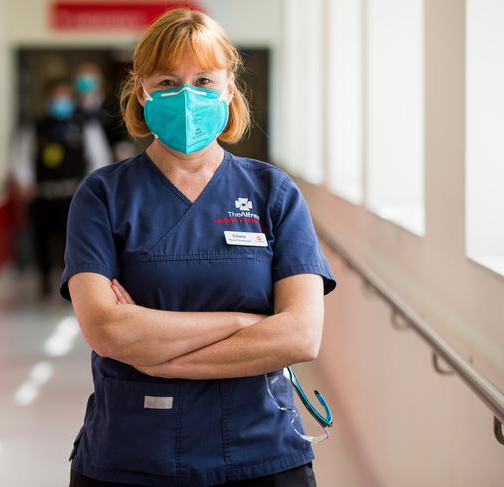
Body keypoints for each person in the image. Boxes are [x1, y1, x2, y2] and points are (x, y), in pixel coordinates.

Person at [59, 8, 337, 487]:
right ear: (142, 89)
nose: (187, 96)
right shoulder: (102, 196)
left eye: (204, 80)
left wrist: (151, 352)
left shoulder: (274, 193)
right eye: (168, 80)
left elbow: (300, 336)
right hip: (132, 454)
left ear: (229, 89)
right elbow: (106, 330)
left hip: (262, 451)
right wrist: (244, 324)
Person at [12, 78, 88, 297]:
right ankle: (44, 281)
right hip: (43, 195)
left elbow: (97, 159)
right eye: (56, 96)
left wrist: (89, 189)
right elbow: (22, 159)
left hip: (73, 195)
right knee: (42, 240)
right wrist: (25, 183)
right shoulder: (36, 127)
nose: (60, 101)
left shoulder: (83, 126)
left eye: (64, 96)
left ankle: (73, 284)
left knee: (72, 243)